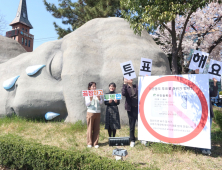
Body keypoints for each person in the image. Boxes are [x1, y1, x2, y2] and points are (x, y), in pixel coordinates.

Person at [194, 69, 218, 155]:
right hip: (200, 114)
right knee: (201, 130)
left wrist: (214, 83)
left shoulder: (207, 89)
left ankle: (207, 148)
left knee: (208, 131)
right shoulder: (198, 89)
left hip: (208, 114)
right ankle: (202, 147)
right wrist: (197, 74)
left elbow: (215, 94)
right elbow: (195, 84)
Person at [85, 82, 103, 148]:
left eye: (95, 86)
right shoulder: (87, 94)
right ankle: (89, 143)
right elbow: (87, 104)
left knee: (96, 128)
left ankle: (95, 143)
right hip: (90, 112)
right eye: (92, 86)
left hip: (98, 112)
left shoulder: (98, 93)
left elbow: (101, 103)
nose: (94, 87)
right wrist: (90, 98)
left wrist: (99, 98)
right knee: (90, 128)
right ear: (89, 87)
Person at [122, 78, 138, 147]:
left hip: (139, 108)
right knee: (132, 125)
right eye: (128, 78)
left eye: (131, 77)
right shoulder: (125, 87)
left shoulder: (136, 86)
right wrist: (125, 84)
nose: (130, 79)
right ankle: (132, 140)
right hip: (131, 109)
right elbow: (123, 93)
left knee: (142, 124)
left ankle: (143, 138)